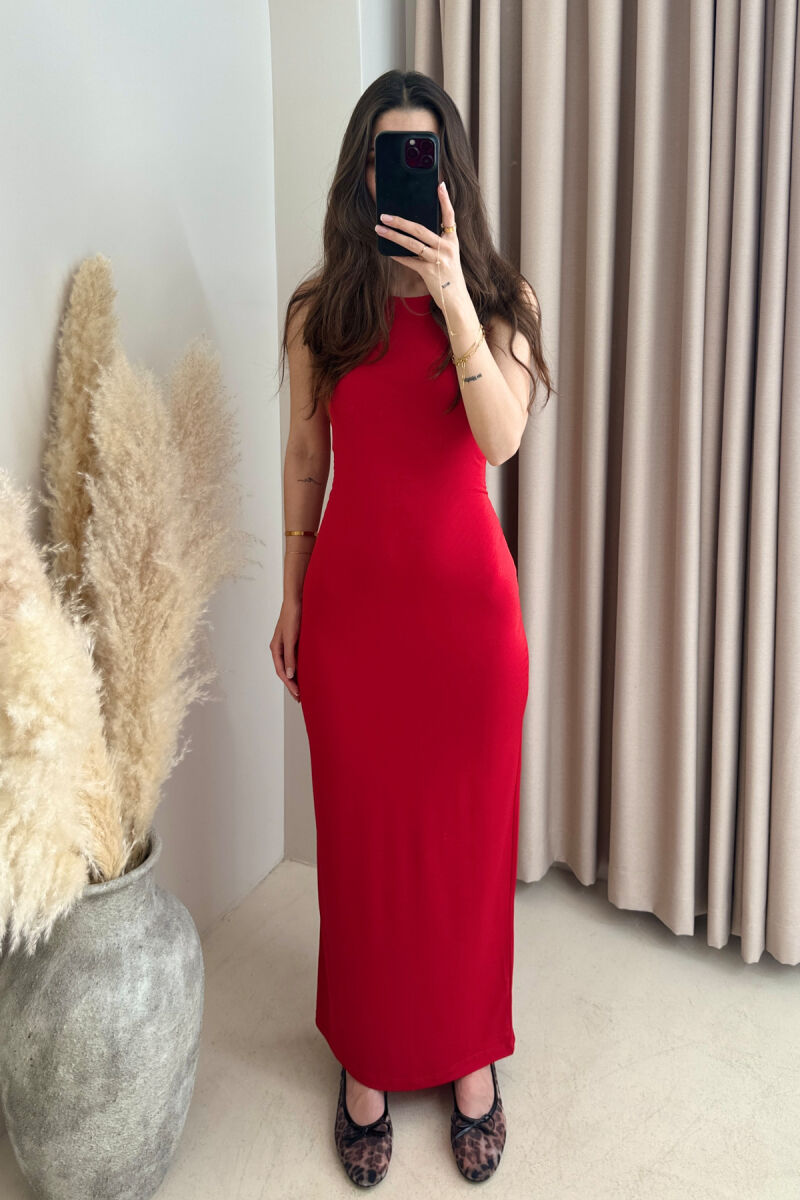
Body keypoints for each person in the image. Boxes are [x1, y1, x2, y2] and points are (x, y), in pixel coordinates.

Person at [271, 69, 553, 1187]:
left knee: (467, 854)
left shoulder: (503, 299)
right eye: (383, 154)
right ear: (359, 176)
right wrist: (293, 594)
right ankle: (367, 1059)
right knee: (364, 850)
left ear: (448, 175)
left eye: (419, 154)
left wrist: (448, 295)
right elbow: (307, 459)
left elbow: (498, 440)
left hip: (467, 634)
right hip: (354, 624)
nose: (399, 173)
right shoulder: (320, 312)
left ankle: (472, 1053)